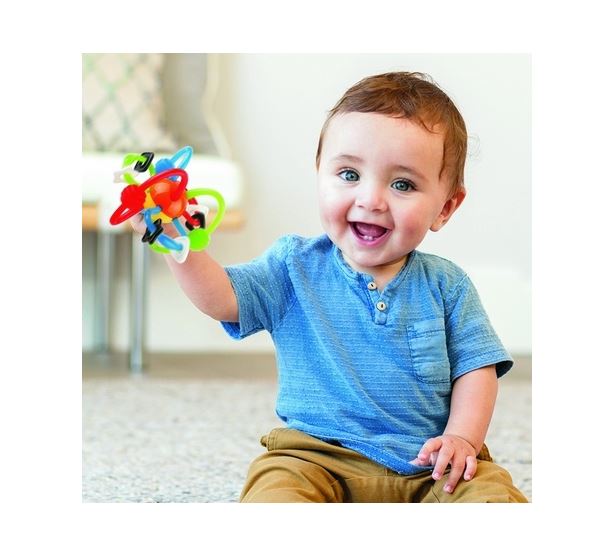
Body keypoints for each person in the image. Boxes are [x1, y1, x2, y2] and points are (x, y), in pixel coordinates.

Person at [132, 71, 528, 502]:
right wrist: (180, 246)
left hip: (429, 465)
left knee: (490, 494)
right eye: (349, 174)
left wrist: (462, 438)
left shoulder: (447, 285)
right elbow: (222, 298)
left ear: (446, 206)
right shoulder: (293, 266)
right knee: (275, 490)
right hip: (314, 458)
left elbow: (476, 369)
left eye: (402, 184)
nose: (370, 199)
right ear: (320, 173)